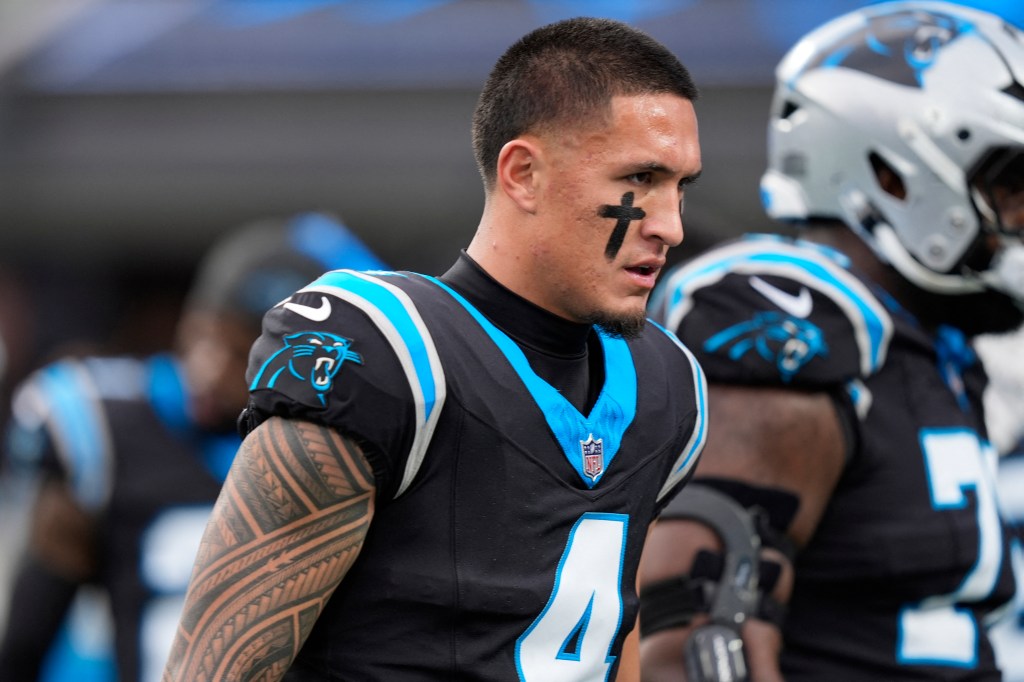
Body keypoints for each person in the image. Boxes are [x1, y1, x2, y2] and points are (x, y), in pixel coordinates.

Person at [161, 16, 706, 682]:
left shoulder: (667, 386)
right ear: (524, 173)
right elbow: (213, 670)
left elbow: (611, 638)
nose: (671, 225)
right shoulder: (388, 356)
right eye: (642, 179)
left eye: (681, 186)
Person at [639, 2, 1024, 681]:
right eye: (1012, 187)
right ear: (893, 176)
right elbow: (692, 640)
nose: (1019, 218)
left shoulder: (934, 347)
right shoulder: (802, 324)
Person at [0, 211, 388, 682]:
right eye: (203, 335)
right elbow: (26, 638)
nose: (207, 369)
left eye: (239, 351)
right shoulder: (108, 424)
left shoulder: (342, 449)